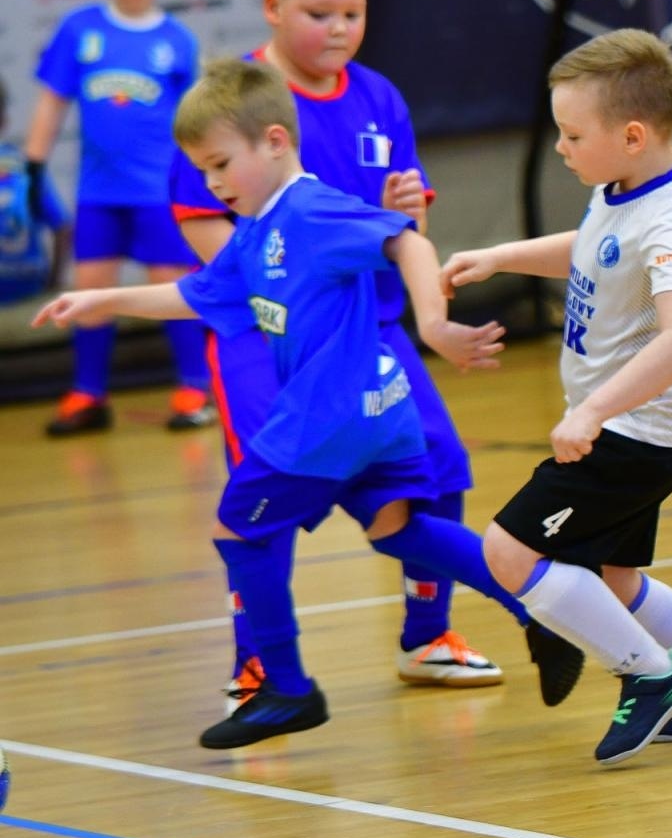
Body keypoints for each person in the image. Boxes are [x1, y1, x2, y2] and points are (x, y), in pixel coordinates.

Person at [35, 59, 518, 748]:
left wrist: (434, 324)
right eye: (203, 173)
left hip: (327, 421)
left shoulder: (309, 209)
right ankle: (536, 605)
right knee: (396, 528)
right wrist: (103, 299)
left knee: (240, 529)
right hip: (371, 417)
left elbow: (407, 242)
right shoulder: (257, 231)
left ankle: (286, 687)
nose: (214, 184)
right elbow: (195, 295)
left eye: (221, 165)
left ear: (274, 141)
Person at [168, 0, 553, 707]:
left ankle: (427, 636)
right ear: (275, 9)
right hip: (267, 338)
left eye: (354, 13)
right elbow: (206, 228)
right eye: (320, 13)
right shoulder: (233, 103)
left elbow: (403, 232)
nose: (339, 29)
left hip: (371, 331)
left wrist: (401, 219)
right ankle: (261, 669)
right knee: (259, 500)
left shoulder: (379, 97)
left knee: (440, 473)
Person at [441, 28, 672, 766]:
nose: (561, 146)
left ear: (631, 134)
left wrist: (591, 411)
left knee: (508, 551)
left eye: (571, 133)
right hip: (637, 427)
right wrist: (504, 257)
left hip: (636, 433)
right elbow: (596, 247)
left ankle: (654, 675)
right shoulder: (617, 189)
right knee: (616, 579)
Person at [26, 0, 215, 435]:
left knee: (171, 284)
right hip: (98, 194)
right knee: (90, 286)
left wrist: (202, 182)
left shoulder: (176, 41)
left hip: (158, 192)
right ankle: (88, 394)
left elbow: (194, 122)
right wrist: (35, 167)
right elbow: (51, 102)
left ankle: (194, 389)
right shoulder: (79, 30)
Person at [0, 78, 69, 305]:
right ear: (4, 120)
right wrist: (54, 282)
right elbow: (63, 227)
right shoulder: (24, 166)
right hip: (30, 284)